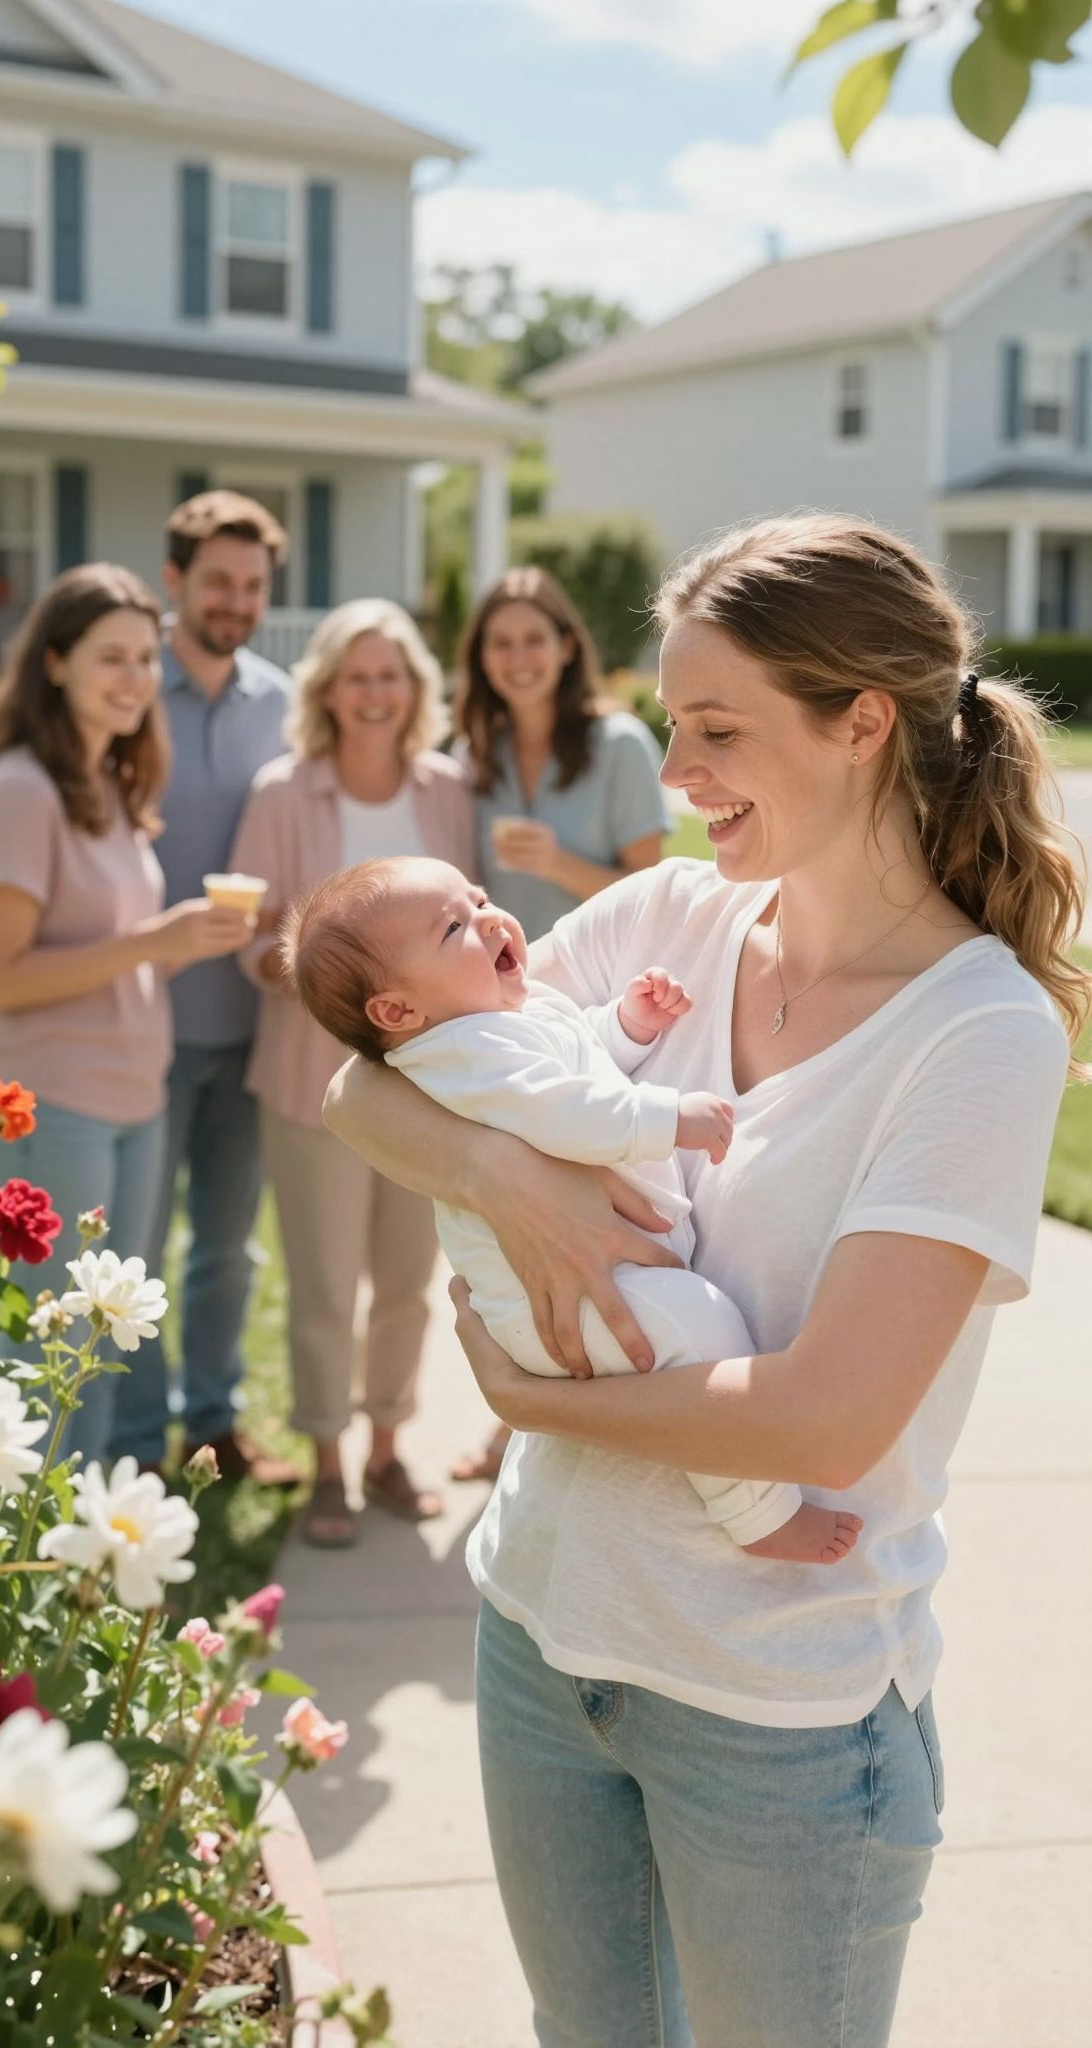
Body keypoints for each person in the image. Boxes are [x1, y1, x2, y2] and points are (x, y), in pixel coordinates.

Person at [323, 513, 1087, 2048]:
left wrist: (536, 1397)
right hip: (541, 1641)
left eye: (719, 730)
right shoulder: (671, 919)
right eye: (674, 725)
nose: (677, 774)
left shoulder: (978, 1034)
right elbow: (365, 1080)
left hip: (777, 1720)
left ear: (863, 723)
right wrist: (498, 1177)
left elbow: (824, 1423)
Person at [284, 853, 863, 1565]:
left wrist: (627, 1024)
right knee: (702, 1325)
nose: (491, 918)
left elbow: (578, 1057)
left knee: (697, 1325)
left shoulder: (505, 1014)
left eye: (480, 897)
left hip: (609, 1275)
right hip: (558, 1301)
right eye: (455, 927)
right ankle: (759, 1513)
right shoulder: (459, 1050)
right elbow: (563, 1110)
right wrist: (669, 1116)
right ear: (399, 1012)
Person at [0, 564, 253, 1464]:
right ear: (53, 664)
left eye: (144, 659)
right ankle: (10, 1563)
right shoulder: (19, 790)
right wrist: (154, 942)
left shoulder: (106, 783)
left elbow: (114, 947)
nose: (134, 679)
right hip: (48, 1106)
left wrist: (172, 943)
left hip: (129, 1100)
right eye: (109, 659)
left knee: (88, 1347)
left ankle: (62, 1557)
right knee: (42, 1353)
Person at [230, 600, 476, 1548]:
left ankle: (386, 1447)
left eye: (392, 675)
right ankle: (326, 1460)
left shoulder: (447, 789)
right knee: (326, 1281)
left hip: (429, 1083)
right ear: (327, 688)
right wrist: (320, 976)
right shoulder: (282, 793)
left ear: (414, 688)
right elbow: (254, 938)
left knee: (410, 1279)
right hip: (309, 1081)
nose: (375, 693)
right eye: (357, 675)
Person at [453, 564, 669, 1483]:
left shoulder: (618, 743)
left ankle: (580, 1401)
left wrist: (562, 861)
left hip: (601, 1005)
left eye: (534, 639)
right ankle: (524, 1412)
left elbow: (652, 887)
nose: (519, 657)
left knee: (595, 1204)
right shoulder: (472, 755)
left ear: (568, 645)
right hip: (501, 1014)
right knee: (507, 1218)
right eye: (500, 642)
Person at [113, 491, 298, 1485]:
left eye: (252, 584)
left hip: (254, 1024)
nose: (236, 600)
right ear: (174, 581)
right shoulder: (129, 695)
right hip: (142, 1021)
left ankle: (214, 1422)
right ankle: (137, 1440)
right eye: (217, 581)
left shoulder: (281, 701)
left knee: (228, 1246)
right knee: (137, 1250)